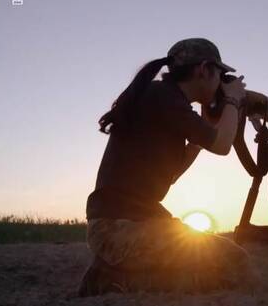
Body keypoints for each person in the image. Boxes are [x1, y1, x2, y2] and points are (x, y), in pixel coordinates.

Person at [78, 38, 256, 296]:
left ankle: (115, 272)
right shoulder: (165, 97)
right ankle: (110, 281)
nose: (221, 83)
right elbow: (222, 145)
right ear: (203, 70)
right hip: (117, 230)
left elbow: (169, 176)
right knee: (232, 262)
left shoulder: (165, 99)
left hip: (128, 224)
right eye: (220, 74)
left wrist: (200, 136)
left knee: (212, 259)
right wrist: (233, 100)